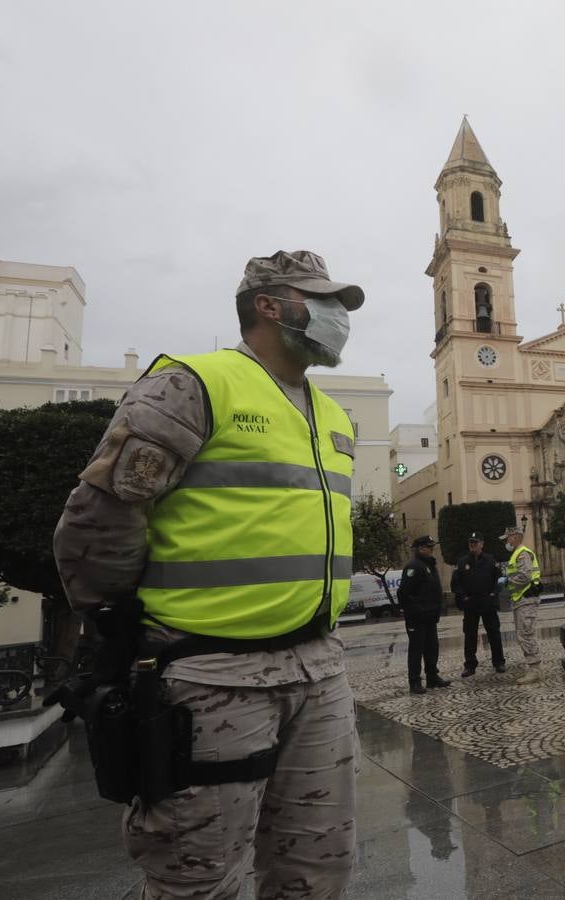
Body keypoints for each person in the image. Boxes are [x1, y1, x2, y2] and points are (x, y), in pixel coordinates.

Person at [51, 249, 364, 897]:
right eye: (324, 302)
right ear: (270, 306)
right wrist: (124, 634)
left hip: (321, 672)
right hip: (213, 679)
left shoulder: (332, 415)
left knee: (319, 870)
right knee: (199, 879)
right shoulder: (193, 382)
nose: (339, 318)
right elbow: (99, 516)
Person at [399, 535, 450, 694]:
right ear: (421, 549)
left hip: (430, 616)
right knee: (416, 649)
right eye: (430, 547)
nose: (432, 550)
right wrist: (417, 610)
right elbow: (404, 594)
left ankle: (432, 677)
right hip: (417, 618)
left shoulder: (429, 565)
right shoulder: (414, 567)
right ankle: (414, 681)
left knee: (431, 647)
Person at [451, 532, 506, 677]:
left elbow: (499, 578)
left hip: (487, 602)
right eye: (471, 543)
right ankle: (470, 665)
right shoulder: (462, 562)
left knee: (494, 633)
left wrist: (495, 593)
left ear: (482, 544)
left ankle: (499, 662)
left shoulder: (490, 559)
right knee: (470, 635)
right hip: (471, 605)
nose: (473, 545)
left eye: (475, 542)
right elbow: (455, 583)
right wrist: (463, 596)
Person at [500, 525, 543, 684]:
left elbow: (525, 576)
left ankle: (535, 670)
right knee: (523, 633)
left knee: (526, 633)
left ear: (515, 537)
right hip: (521, 599)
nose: (506, 542)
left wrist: (507, 580)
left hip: (526, 599)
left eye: (507, 538)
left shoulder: (522, 553)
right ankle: (534, 667)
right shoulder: (517, 554)